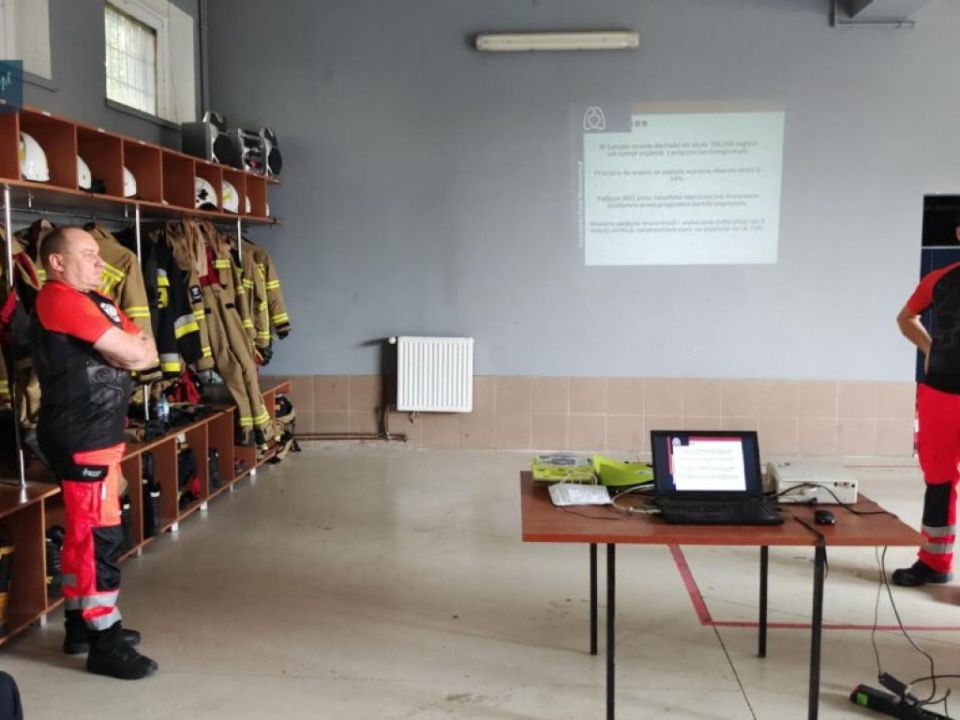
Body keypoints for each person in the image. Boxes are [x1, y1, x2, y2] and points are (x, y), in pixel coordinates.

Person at [31, 226, 159, 678]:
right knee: (98, 539)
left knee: (83, 534)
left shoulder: (96, 301)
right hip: (82, 438)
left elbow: (146, 351)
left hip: (99, 435)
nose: (101, 262)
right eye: (88, 254)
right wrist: (127, 350)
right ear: (57, 263)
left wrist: (130, 350)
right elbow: (132, 351)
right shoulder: (59, 299)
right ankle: (105, 642)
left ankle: (79, 628)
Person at [893, 257, 960, 587]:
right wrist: (929, 347)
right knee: (938, 479)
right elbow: (906, 318)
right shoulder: (939, 279)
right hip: (940, 392)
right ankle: (935, 561)